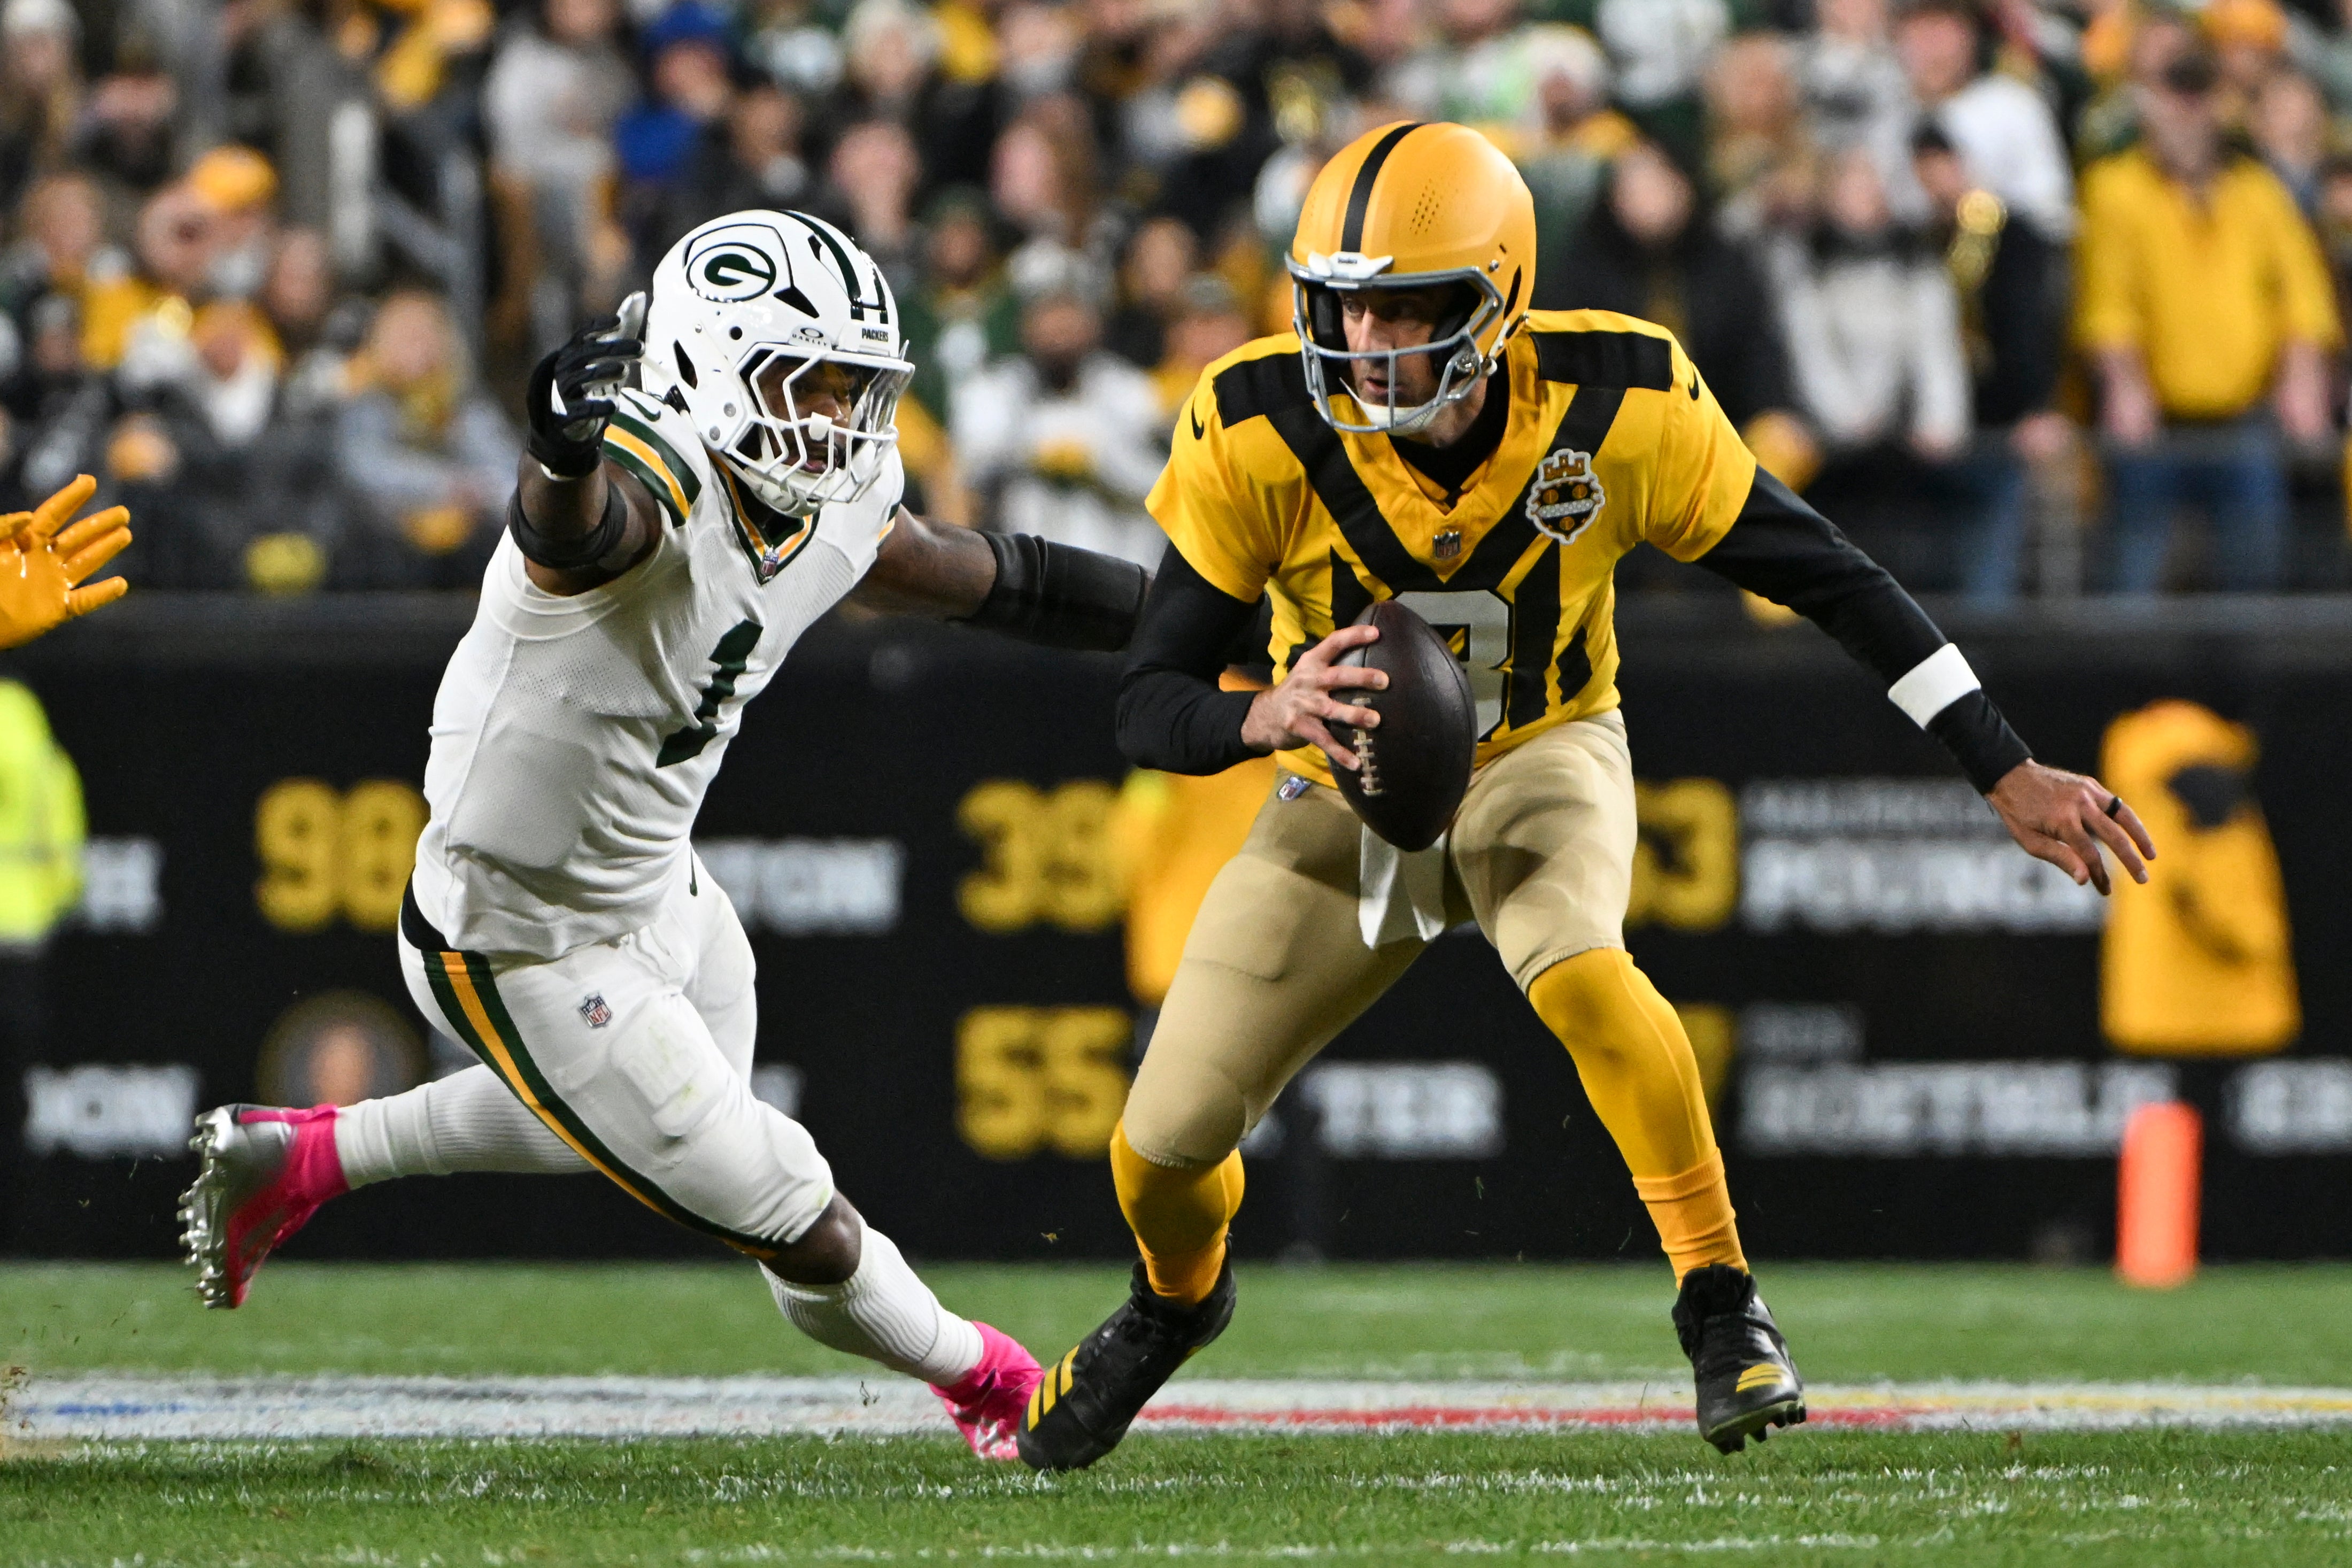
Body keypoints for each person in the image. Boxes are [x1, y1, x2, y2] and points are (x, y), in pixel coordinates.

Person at [1018, 120, 2156, 1472]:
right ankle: (1174, 1302)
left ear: (1496, 299)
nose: (1368, 339)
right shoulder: (1260, 426)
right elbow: (1147, 698)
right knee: (1156, 1149)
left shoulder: (1619, 401)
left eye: (1406, 306)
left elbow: (1829, 577)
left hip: (1540, 755)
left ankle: (1720, 1304)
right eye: (1346, 303)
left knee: (1580, 970)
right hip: (1332, 795)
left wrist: (2000, 760)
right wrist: (1257, 712)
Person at [176, 208, 1151, 1463]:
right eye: (809, 383)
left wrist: (1202, 620)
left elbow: (990, 575)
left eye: (857, 387)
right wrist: (556, 438)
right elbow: (575, 529)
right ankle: (993, 1384)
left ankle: (300, 1160)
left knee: (640, 1125)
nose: (838, 420)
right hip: (515, 929)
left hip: (653, 889)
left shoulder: (833, 496)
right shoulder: (651, 480)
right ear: (705, 365)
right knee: (796, 1216)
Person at [2076, 47, 2340, 592]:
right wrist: (2125, 384)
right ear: (2150, 104)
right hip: (2154, 422)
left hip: (2243, 419)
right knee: (2133, 576)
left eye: (2200, 97)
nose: (2188, 113)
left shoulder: (2256, 192)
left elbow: (2303, 297)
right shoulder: (2116, 188)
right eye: (2175, 95)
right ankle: (2128, 677)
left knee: (2256, 579)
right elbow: (2107, 302)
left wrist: (2302, 377)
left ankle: (2252, 680)